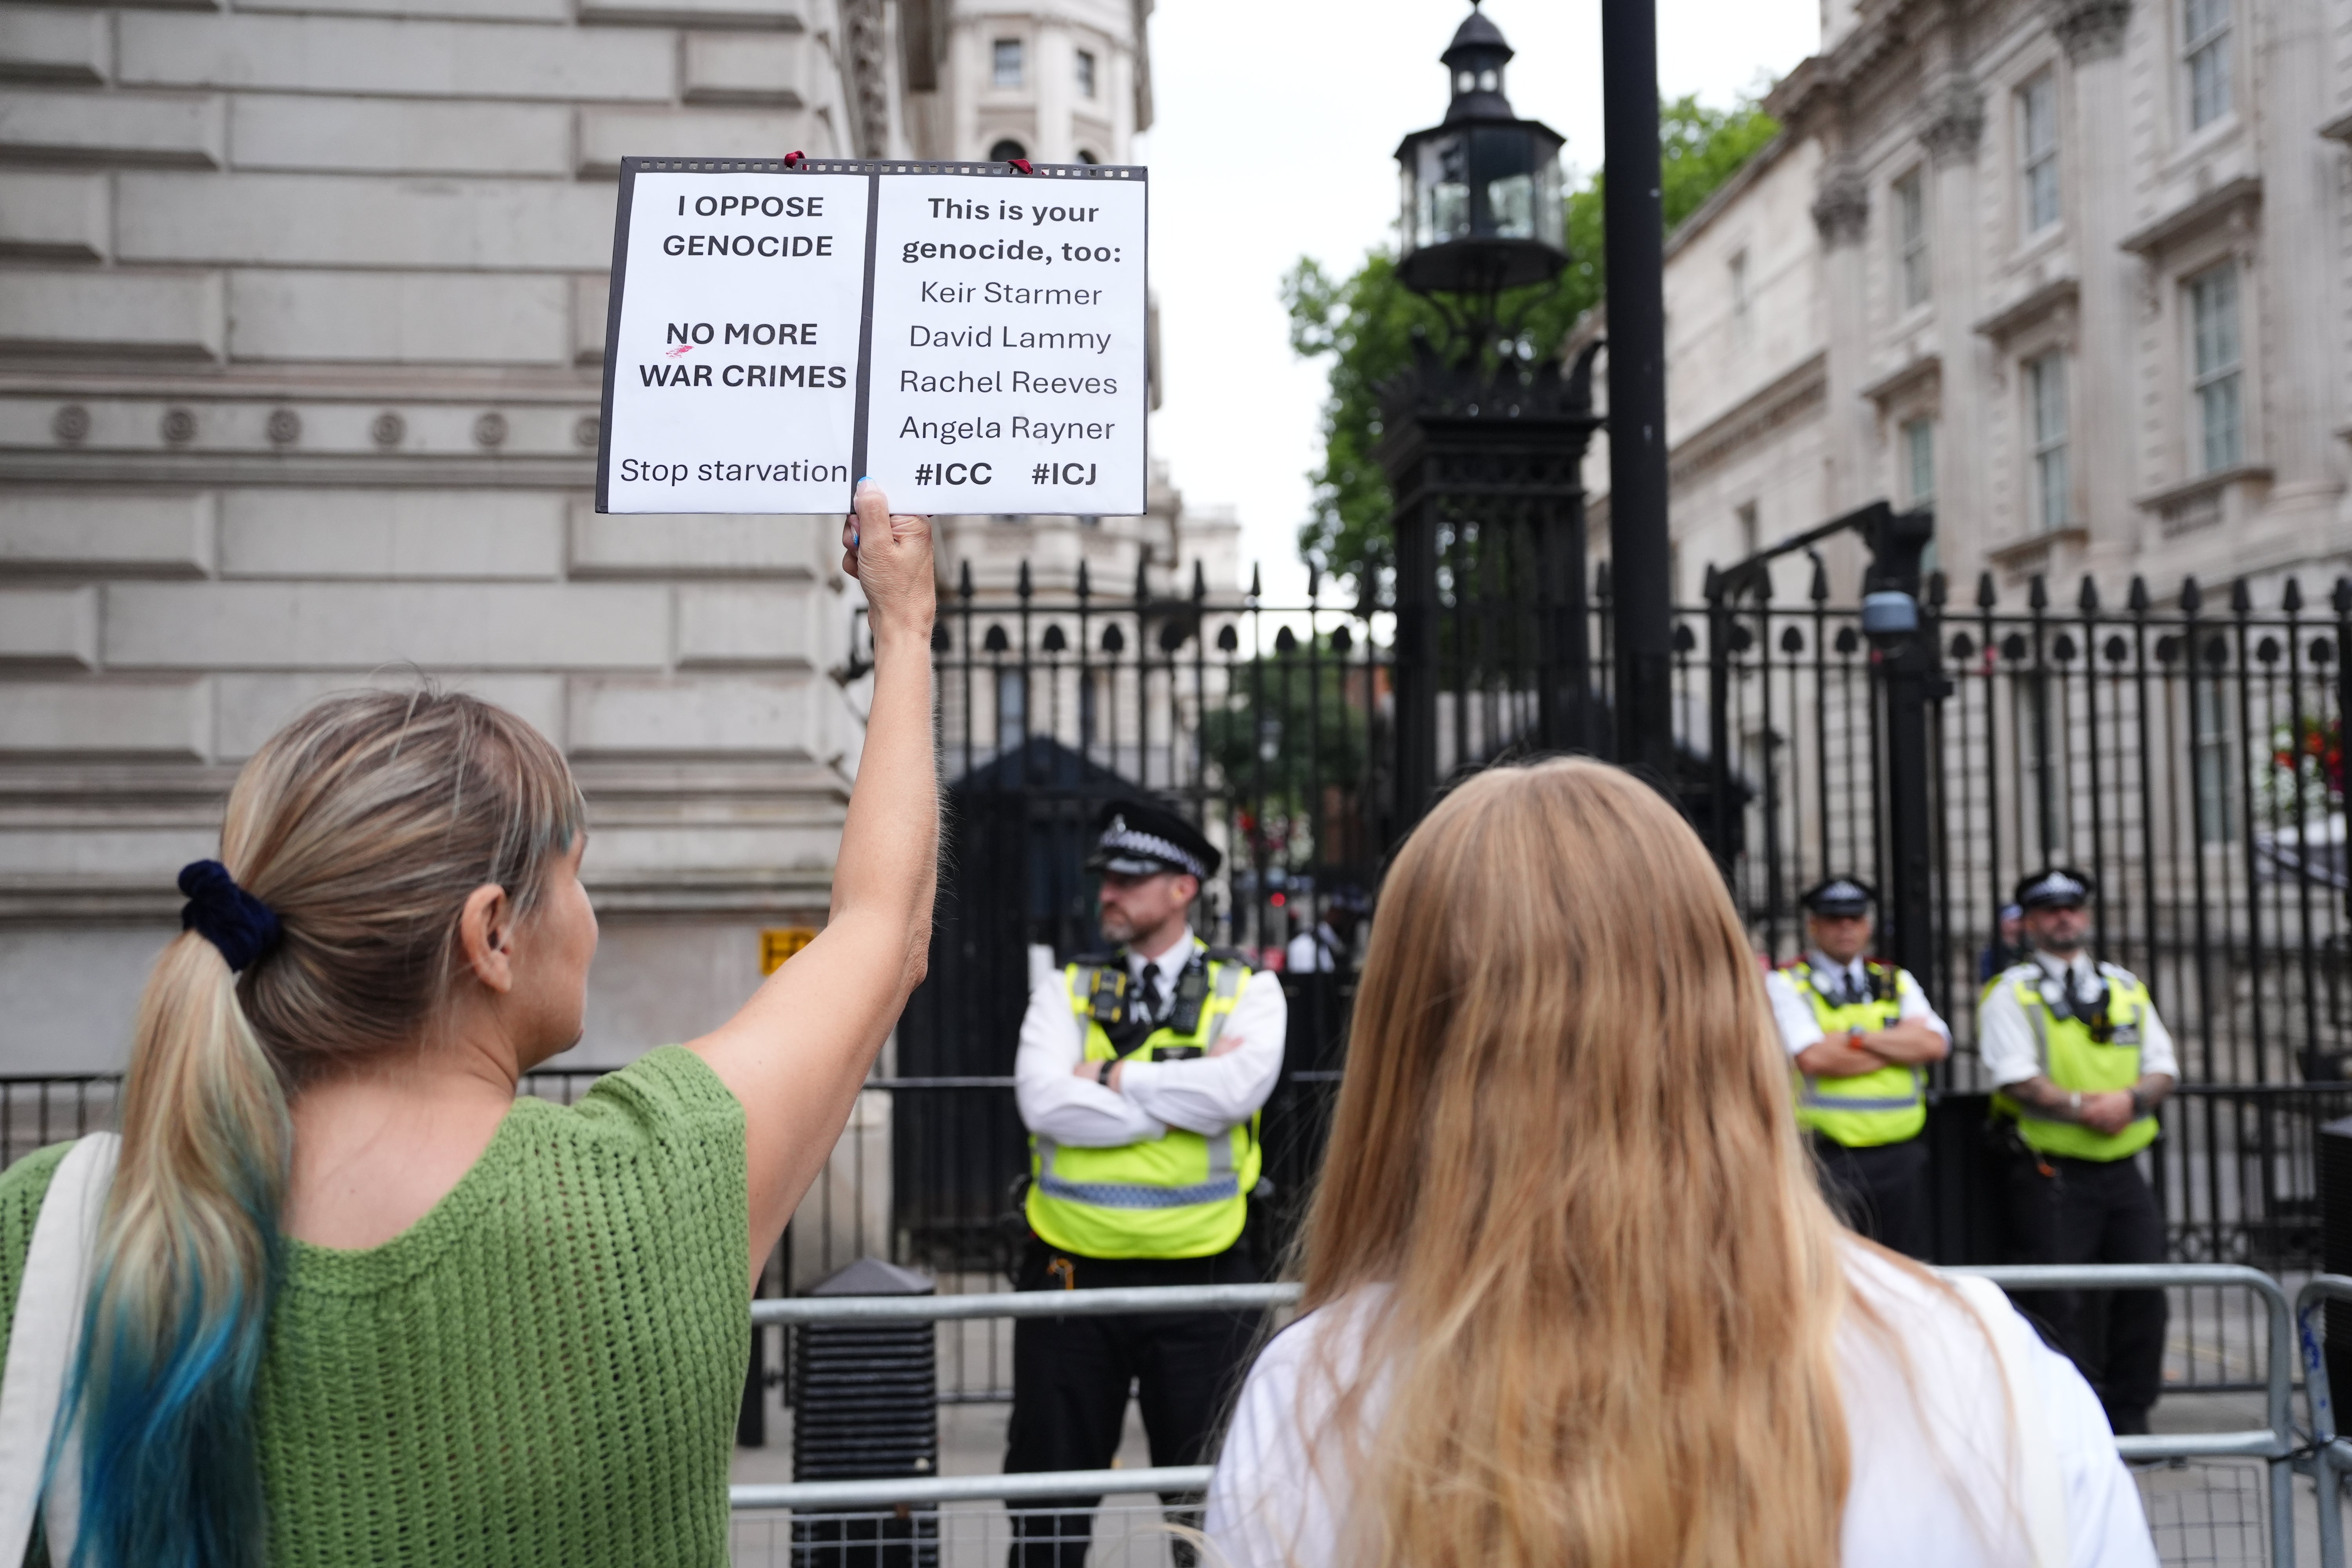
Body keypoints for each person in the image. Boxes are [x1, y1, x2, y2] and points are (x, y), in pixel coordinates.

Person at [0, 482, 936, 1566]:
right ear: (491, 933)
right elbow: (883, 929)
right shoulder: (659, 1190)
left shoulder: (58, 1227)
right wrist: (902, 624)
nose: (594, 916)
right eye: (576, 875)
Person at [1205, 759, 2155, 1568]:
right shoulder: (1991, 1369)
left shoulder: (1316, 1394)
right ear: (1726, 1003)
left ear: (1402, 1048)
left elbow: (1924, 1044)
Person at [1005, 797, 1287, 1567]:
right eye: (1107, 877)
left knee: (1211, 1504)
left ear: (1184, 888)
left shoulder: (1249, 991)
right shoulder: (1065, 988)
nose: (1109, 892)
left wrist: (1113, 1075)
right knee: (1047, 1503)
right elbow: (1044, 1099)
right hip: (1071, 1275)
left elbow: (1236, 1093)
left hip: (1201, 1278)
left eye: (1131, 878)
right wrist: (1174, 1102)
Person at [1984, 866, 2178, 1437]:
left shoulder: (2123, 987)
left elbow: (2163, 1064)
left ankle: (2132, 1419)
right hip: (2053, 1173)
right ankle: (2072, 1425)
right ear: (2028, 923)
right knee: (2063, 1304)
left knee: (2146, 1295)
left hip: (2122, 1170)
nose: (2063, 917)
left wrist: (2129, 1100)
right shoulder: (2011, 994)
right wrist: (2084, 1106)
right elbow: (2014, 1076)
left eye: (2071, 907)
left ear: (2085, 915)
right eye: (2049, 910)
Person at [1764, 877, 1951, 1258]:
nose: (1846, 927)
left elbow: (1935, 1044)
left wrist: (1853, 1038)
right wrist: (1896, 1042)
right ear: (1813, 925)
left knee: (1905, 1269)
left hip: (1901, 1156)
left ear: (1868, 925)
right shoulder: (1785, 984)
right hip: (1830, 1157)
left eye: (1854, 918)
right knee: (1834, 1268)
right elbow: (1813, 1057)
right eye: (1834, 919)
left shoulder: (1894, 980)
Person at [1980, 902, 2029, 982]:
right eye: (2013, 921)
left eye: (2020, 920)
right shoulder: (1993, 952)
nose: (2019, 924)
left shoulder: (2028, 948)